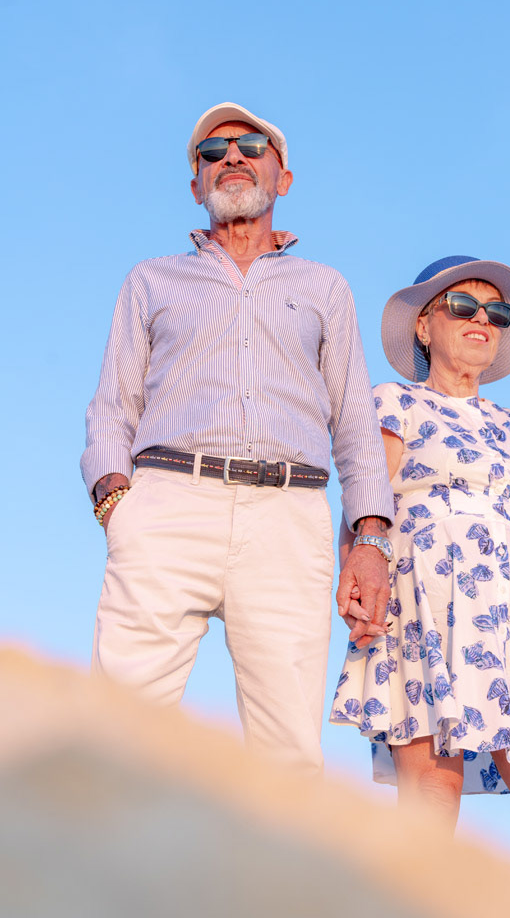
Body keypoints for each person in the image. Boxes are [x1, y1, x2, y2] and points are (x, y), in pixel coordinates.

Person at [81, 101, 394, 775]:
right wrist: (117, 503)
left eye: (252, 146)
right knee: (117, 731)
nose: (232, 157)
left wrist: (370, 541)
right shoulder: (150, 280)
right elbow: (113, 404)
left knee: (288, 755)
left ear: (283, 178)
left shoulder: (325, 288)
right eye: (212, 151)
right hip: (167, 504)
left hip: (289, 517)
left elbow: (353, 421)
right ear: (196, 183)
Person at [331, 255, 510, 861]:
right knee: (431, 798)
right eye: (463, 306)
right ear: (424, 326)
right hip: (427, 603)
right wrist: (357, 581)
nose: (482, 320)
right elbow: (365, 502)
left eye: (497, 312)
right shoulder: (394, 403)